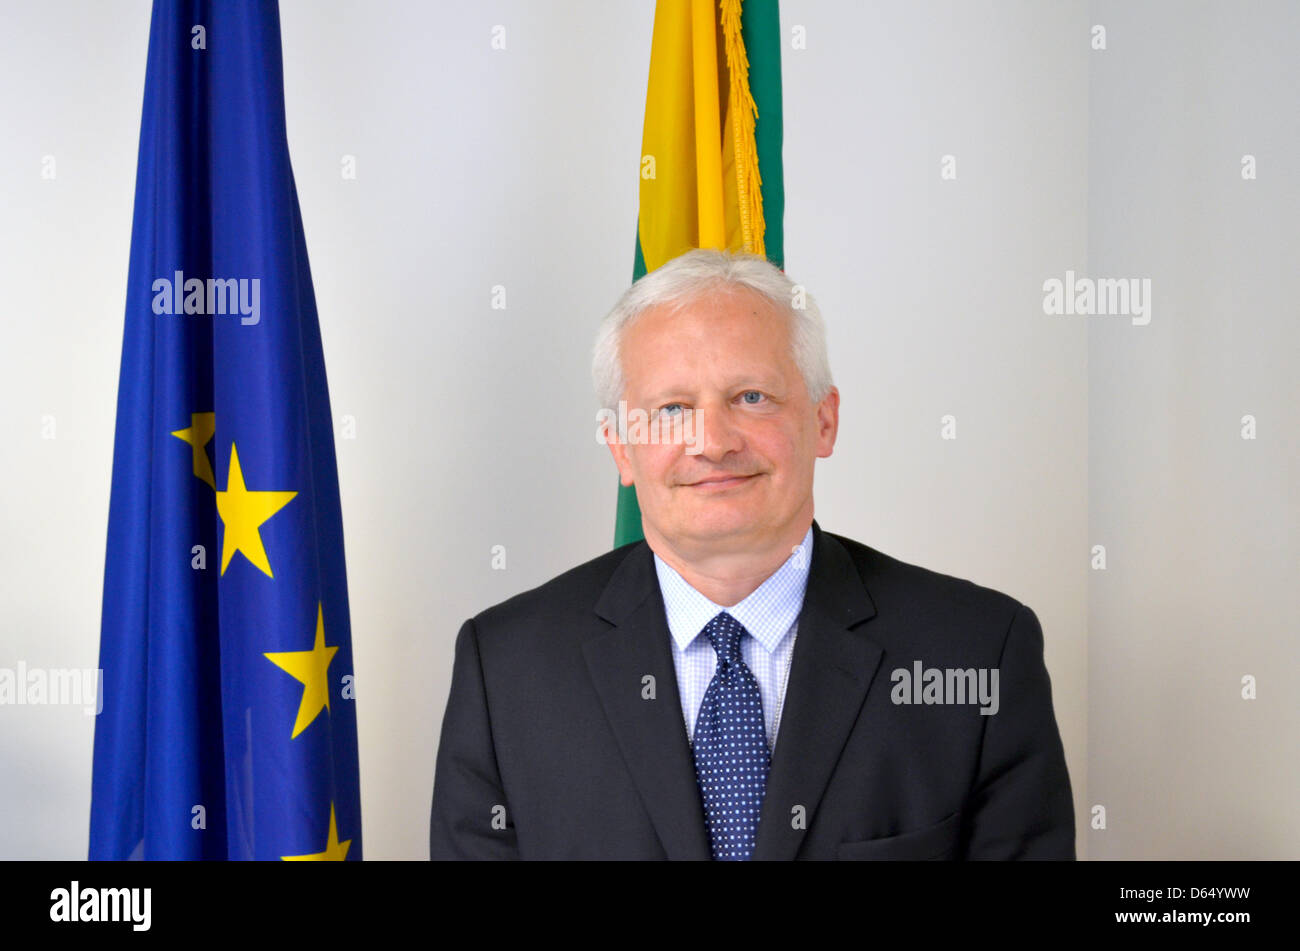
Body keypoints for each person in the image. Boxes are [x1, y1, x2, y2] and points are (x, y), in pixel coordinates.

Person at [429, 249, 1075, 860]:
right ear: (621, 448)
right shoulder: (505, 673)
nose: (711, 441)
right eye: (673, 408)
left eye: (751, 397)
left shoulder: (977, 652)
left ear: (823, 421)